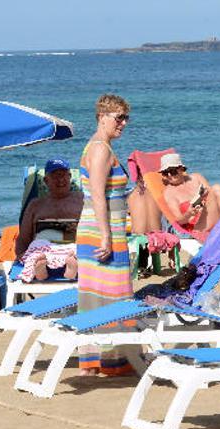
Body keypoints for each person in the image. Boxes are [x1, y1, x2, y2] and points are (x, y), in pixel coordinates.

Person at [75, 94, 135, 377]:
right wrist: (106, 237)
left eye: (125, 118)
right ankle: (107, 362)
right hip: (101, 228)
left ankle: (102, 361)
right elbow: (98, 195)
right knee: (109, 294)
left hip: (104, 227)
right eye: (118, 117)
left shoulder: (102, 146)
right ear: (101, 116)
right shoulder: (100, 149)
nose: (123, 123)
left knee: (102, 294)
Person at [15, 158, 84, 281]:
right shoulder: (36, 205)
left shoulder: (81, 200)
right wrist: (21, 254)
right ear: (46, 180)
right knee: (36, 256)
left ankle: (71, 270)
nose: (60, 180)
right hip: (43, 250)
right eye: (55, 176)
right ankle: (40, 271)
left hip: (72, 249)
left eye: (63, 175)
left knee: (78, 254)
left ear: (70, 177)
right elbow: (24, 235)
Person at [160, 152, 220, 235]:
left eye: (172, 171)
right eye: (165, 173)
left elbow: (214, 199)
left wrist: (203, 196)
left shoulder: (196, 177)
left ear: (181, 169)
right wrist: (189, 214)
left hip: (214, 214)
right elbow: (179, 220)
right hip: (198, 225)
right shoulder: (169, 193)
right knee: (215, 188)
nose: (169, 175)